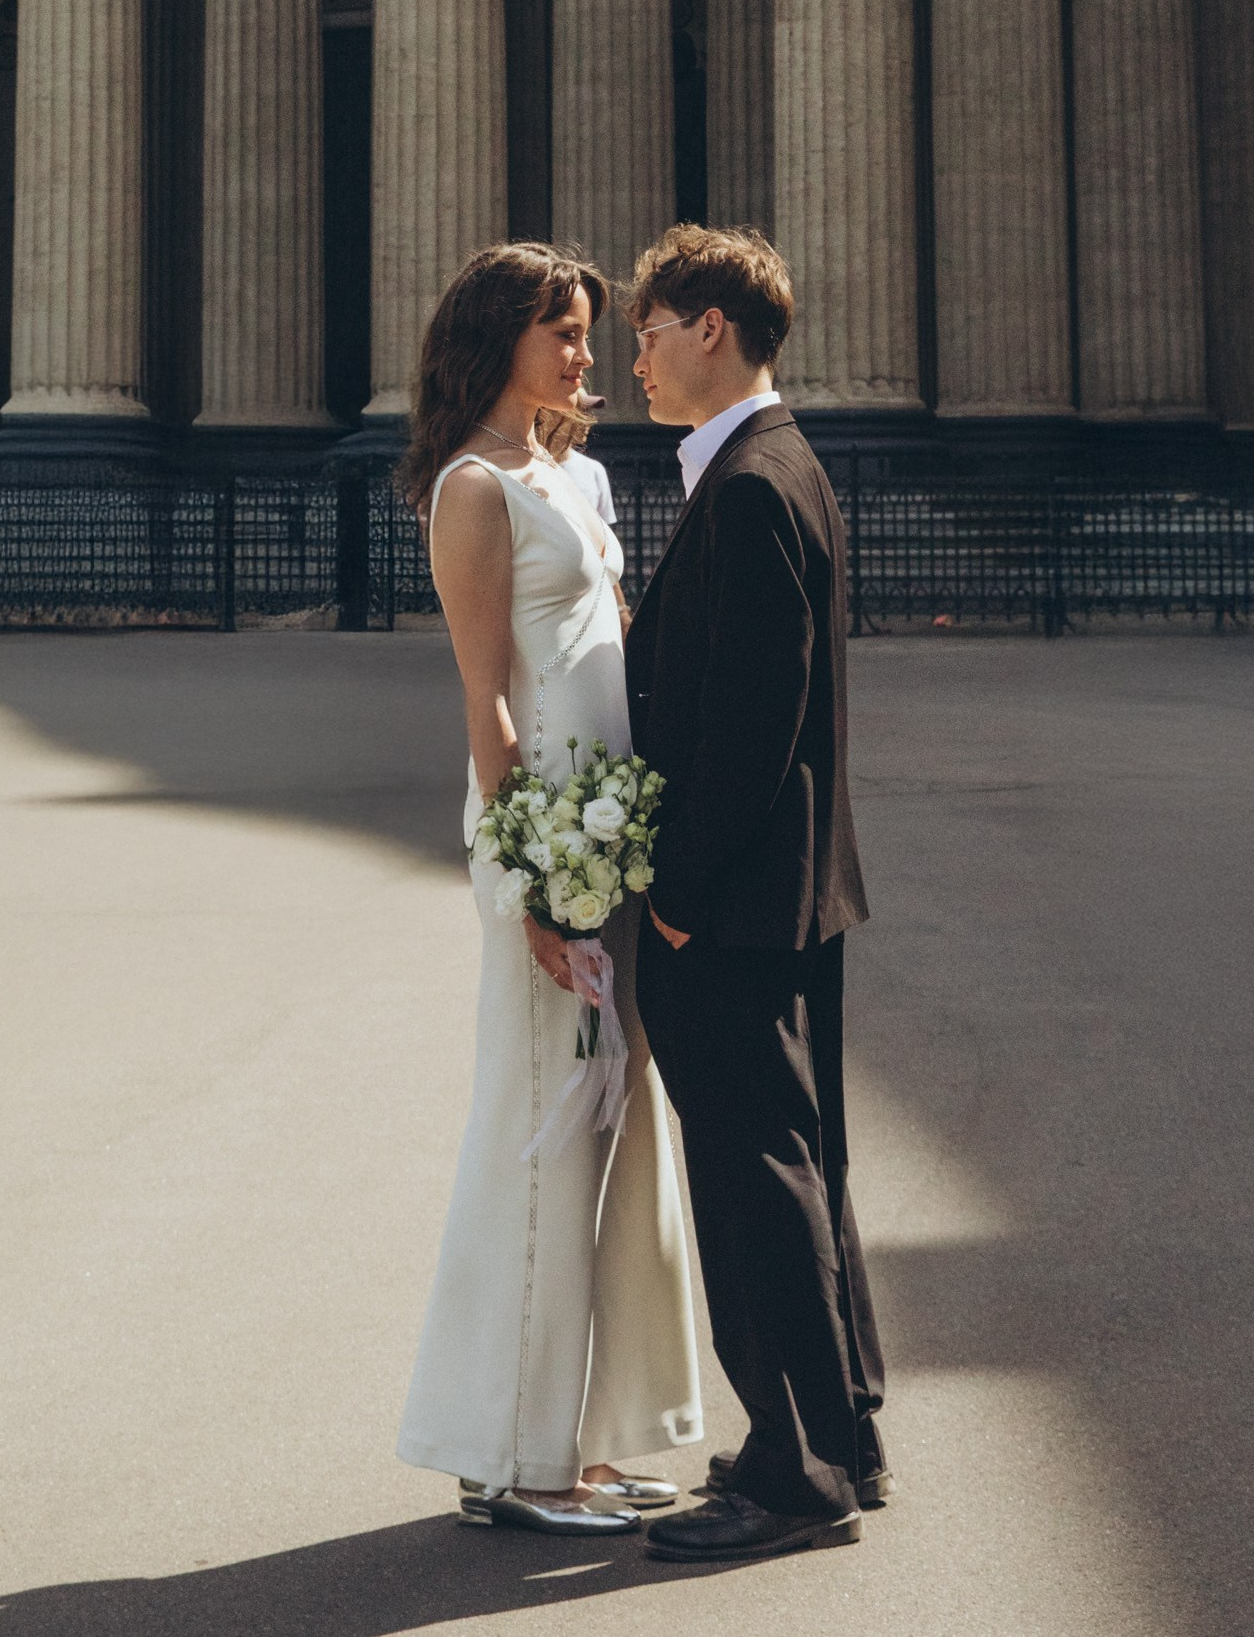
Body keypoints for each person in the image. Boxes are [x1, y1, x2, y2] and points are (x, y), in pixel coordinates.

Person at [396, 242, 703, 1534]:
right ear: (496, 339)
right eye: (561, 333)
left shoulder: (574, 473)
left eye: (585, 332)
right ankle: (512, 1461)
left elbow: (617, 646)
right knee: (537, 1126)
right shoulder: (473, 489)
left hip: (612, 835)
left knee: (613, 1127)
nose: (584, 356)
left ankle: (582, 1439)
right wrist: (529, 877)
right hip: (539, 845)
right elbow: (487, 700)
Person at [622, 224, 889, 1566]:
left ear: (709, 328)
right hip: (789, 893)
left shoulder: (742, 485)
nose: (636, 358)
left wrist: (669, 890)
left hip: (728, 906)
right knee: (803, 1164)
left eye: (650, 332)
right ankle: (844, 1432)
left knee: (751, 1179)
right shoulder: (777, 466)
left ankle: (792, 1473)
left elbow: (749, 720)